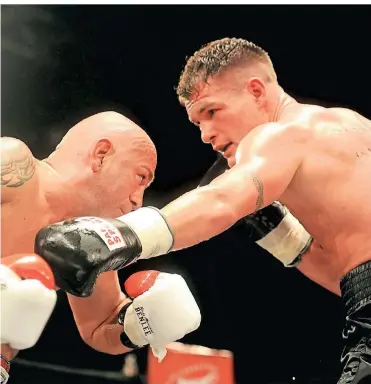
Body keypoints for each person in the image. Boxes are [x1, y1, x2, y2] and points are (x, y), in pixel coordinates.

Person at [35, 37, 371, 383]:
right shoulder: (352, 127)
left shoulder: (280, 135)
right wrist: (283, 237)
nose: (206, 135)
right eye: (197, 124)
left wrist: (121, 235)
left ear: (256, 90)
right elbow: (348, 276)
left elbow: (221, 201)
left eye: (212, 111)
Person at [0, 111, 201, 383]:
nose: (137, 202)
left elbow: (99, 329)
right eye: (140, 178)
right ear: (101, 155)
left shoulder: (92, 244)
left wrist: (140, 324)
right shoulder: (14, 165)